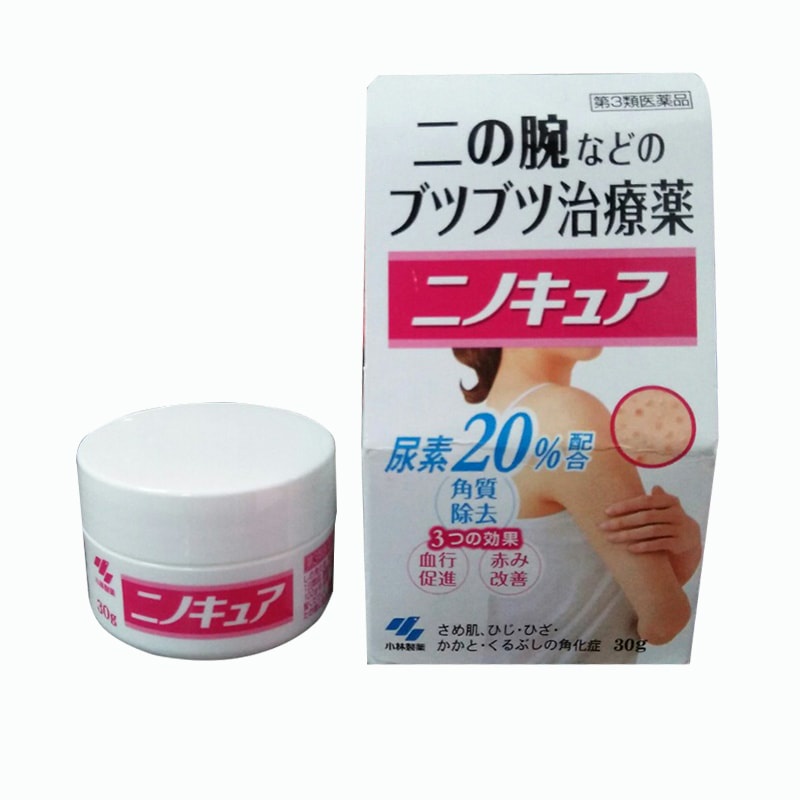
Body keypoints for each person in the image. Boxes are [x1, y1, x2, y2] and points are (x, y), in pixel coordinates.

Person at [453, 346, 702, 662]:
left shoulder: (495, 416)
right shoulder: (567, 414)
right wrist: (689, 548)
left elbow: (596, 602)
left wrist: (676, 554)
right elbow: (662, 622)